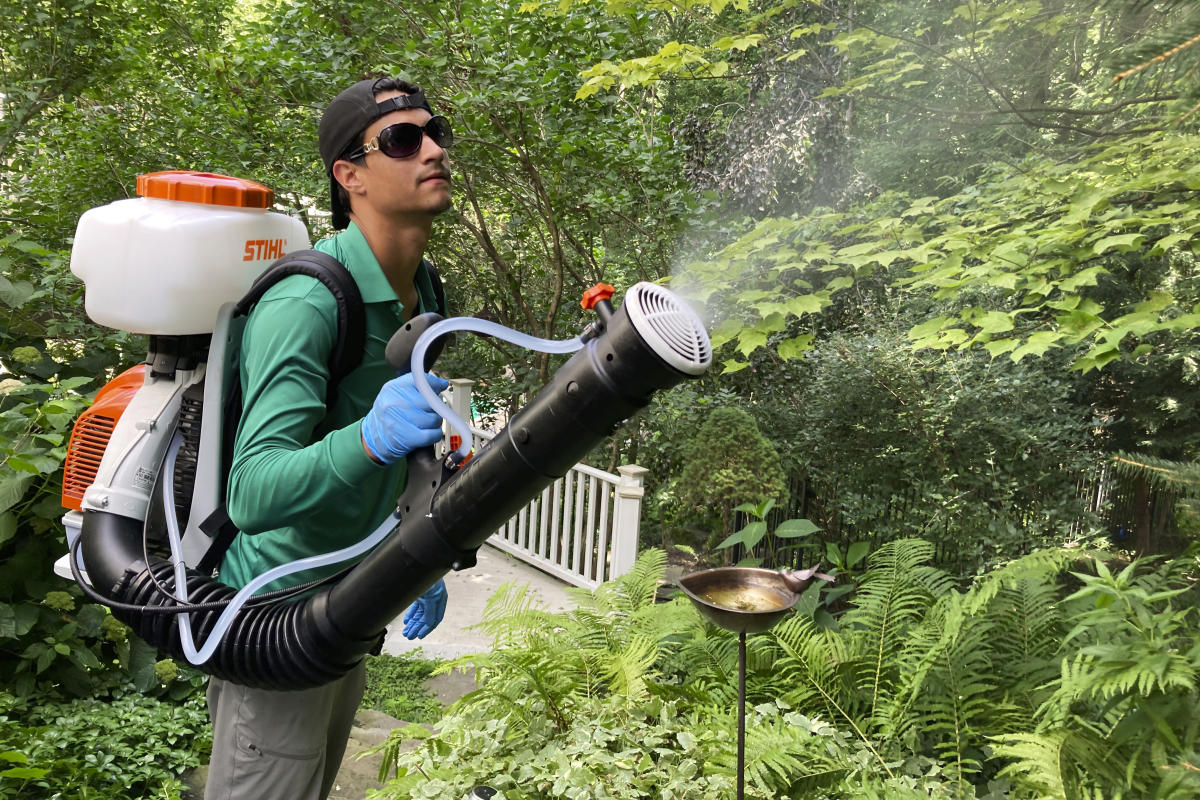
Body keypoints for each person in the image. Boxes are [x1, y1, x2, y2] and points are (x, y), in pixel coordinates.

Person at [203, 76, 457, 800]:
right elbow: (252, 492)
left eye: (435, 131)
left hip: (347, 609)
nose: (433, 149)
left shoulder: (425, 290)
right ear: (350, 177)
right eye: (404, 140)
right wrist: (371, 437)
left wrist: (409, 554)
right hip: (276, 618)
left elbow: (399, 451)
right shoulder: (308, 301)